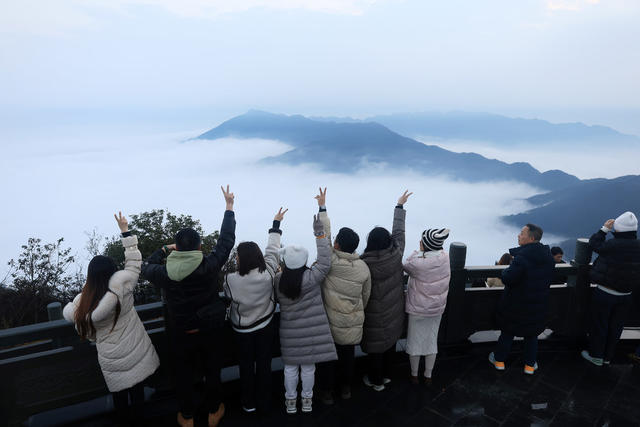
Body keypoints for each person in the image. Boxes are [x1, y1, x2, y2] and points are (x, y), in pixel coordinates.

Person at [141, 186, 236, 427]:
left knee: (182, 375)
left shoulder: (163, 273)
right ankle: (215, 410)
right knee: (212, 371)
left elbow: (145, 266)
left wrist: (163, 250)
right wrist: (229, 208)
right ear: (199, 247)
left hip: (179, 333)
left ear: (177, 248)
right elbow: (226, 242)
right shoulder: (209, 265)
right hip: (210, 330)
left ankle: (187, 416)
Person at [64, 212, 160, 425]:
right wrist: (126, 231)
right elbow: (134, 263)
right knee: (137, 393)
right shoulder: (123, 288)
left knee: (119, 396)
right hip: (135, 350)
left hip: (111, 358)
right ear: (111, 272)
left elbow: (88, 333)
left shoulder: (83, 304)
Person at [275, 211, 337, 414]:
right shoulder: (312, 278)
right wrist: (319, 233)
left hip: (290, 334)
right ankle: (307, 401)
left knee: (290, 368)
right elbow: (326, 261)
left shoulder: (277, 282)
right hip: (311, 335)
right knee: (309, 368)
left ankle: (290, 402)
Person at [224, 207, 285, 414]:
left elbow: (229, 297)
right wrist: (275, 225)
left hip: (241, 332)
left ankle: (248, 402)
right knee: (264, 366)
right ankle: (265, 401)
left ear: (240, 259)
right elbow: (273, 250)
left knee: (246, 367)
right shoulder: (268, 272)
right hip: (266, 325)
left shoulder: (230, 280)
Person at [316, 187, 371, 403]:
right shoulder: (363, 268)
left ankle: (327, 392)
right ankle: (346, 389)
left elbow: (323, 237)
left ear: (337, 244)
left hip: (331, 323)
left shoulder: (330, 260)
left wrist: (322, 208)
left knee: (328, 359)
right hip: (353, 322)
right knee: (348, 358)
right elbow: (365, 297)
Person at [360, 191, 412, 391]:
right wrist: (399, 207)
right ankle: (387, 375)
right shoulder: (396, 253)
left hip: (373, 315)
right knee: (390, 342)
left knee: (375, 350)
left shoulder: (363, 263)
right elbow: (399, 234)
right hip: (394, 312)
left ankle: (376, 381)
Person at [488, 223, 554, 375]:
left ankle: (499, 361)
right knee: (532, 335)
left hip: (516, 303)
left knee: (508, 332)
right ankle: (529, 366)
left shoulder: (522, 258)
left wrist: (506, 271)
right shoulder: (548, 258)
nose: (518, 235)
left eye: (522, 233)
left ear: (531, 238)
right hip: (538, 304)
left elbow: (508, 278)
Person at [581, 212, 640, 366]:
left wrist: (604, 229)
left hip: (605, 293)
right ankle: (607, 357)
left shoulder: (613, 245)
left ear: (619, 230)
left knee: (600, 325)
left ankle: (596, 356)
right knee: (616, 327)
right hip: (627, 294)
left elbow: (594, 244)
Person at [403, 227, 451, 385]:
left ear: (427, 244)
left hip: (418, 309)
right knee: (431, 341)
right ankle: (428, 375)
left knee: (415, 342)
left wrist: (418, 251)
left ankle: (414, 375)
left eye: (422, 240)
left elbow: (406, 264)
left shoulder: (418, 264)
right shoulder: (445, 257)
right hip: (436, 308)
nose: (419, 242)